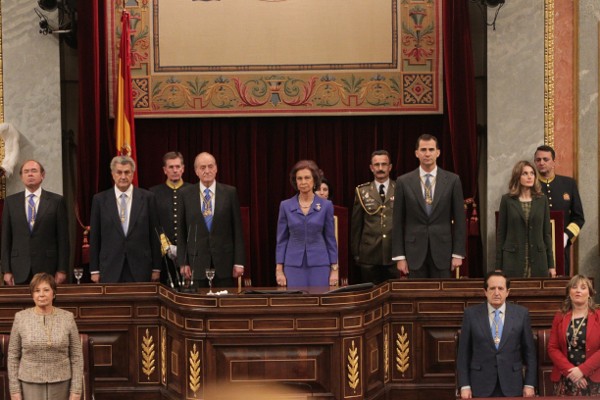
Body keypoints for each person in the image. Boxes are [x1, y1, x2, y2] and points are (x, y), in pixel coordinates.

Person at [392, 134, 466, 278]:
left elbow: (460, 220)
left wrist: (458, 253)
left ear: (438, 152)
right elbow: (397, 221)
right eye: (423, 150)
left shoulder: (452, 180)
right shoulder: (403, 181)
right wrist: (400, 256)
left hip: (443, 252)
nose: (427, 154)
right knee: (417, 292)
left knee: (441, 292)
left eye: (431, 150)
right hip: (414, 253)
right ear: (416, 153)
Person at [457, 271, 537, 398]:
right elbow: (463, 354)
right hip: (480, 384)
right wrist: (464, 385)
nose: (496, 293)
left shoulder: (521, 314)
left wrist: (529, 384)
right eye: (492, 288)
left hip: (512, 384)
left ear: (507, 292)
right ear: (485, 291)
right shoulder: (471, 314)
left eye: (500, 288)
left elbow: (530, 353)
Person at [7, 272, 84, 400]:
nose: (41, 294)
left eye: (46, 290)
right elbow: (12, 356)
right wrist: (15, 390)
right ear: (32, 295)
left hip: (61, 383)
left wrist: (76, 390)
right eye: (37, 291)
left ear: (54, 293)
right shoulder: (21, 318)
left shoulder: (67, 317)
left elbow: (77, 356)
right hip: (29, 383)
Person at [89, 156, 162, 283]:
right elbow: (95, 236)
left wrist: (156, 268)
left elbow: (154, 235)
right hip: (110, 267)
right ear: (113, 174)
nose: (123, 176)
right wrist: (94, 270)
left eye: (127, 172)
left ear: (133, 174)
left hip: (141, 268)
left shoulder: (147, 198)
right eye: (119, 172)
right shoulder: (99, 200)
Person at [178, 152, 245, 288]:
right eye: (202, 167)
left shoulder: (230, 193)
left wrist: (239, 262)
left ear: (216, 168)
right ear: (196, 171)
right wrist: (183, 262)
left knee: (225, 300)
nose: (207, 171)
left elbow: (237, 230)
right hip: (196, 263)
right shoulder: (185, 194)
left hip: (224, 261)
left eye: (210, 166)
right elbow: (181, 231)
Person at [1, 160, 69, 285]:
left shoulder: (56, 201)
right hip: (18, 268)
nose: (30, 174)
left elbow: (63, 239)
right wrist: (6, 270)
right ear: (21, 177)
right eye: (26, 172)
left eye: (34, 171)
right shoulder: (10, 202)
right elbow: (5, 238)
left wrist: (62, 269)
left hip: (48, 267)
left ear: (42, 175)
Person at [275, 160, 338, 287]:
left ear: (314, 180)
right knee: (296, 299)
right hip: (293, 266)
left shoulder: (326, 205)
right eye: (299, 178)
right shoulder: (285, 206)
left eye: (307, 178)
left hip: (320, 265)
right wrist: (279, 270)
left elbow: (330, 239)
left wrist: (334, 269)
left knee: (319, 298)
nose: (303, 182)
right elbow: (281, 240)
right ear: (295, 181)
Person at [496, 160, 556, 278]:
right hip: (512, 260)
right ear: (517, 177)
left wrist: (551, 265)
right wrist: (498, 266)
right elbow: (501, 234)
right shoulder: (507, 200)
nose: (529, 177)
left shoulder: (542, 200)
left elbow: (546, 234)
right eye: (525, 173)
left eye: (532, 173)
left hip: (538, 260)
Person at [534, 145, 585, 276]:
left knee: (560, 282)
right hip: (536, 247)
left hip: (561, 247)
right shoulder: (530, 185)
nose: (541, 163)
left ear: (554, 162)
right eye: (538, 160)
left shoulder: (568, 184)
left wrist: (566, 236)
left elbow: (578, 218)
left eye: (546, 159)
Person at [548, 275, 600, 396]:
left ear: (590, 293)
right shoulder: (560, 317)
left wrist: (582, 370)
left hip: (595, 379)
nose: (578, 291)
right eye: (574, 287)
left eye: (583, 287)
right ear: (569, 293)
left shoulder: (598, 316)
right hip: (566, 378)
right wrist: (571, 373)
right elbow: (552, 348)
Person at [351, 150, 397, 284]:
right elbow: (356, 225)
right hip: (369, 254)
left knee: (394, 293)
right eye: (377, 165)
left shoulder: (400, 188)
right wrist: (356, 253)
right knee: (370, 293)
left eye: (384, 164)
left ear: (390, 167)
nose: (380, 168)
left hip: (394, 253)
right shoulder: (362, 191)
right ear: (371, 168)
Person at [149, 152, 191, 287]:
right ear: (164, 170)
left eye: (178, 166)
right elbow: (153, 223)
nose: (175, 170)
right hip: (163, 257)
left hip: (189, 257)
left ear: (183, 168)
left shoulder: (193, 191)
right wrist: (166, 246)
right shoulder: (153, 193)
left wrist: (185, 250)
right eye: (171, 167)